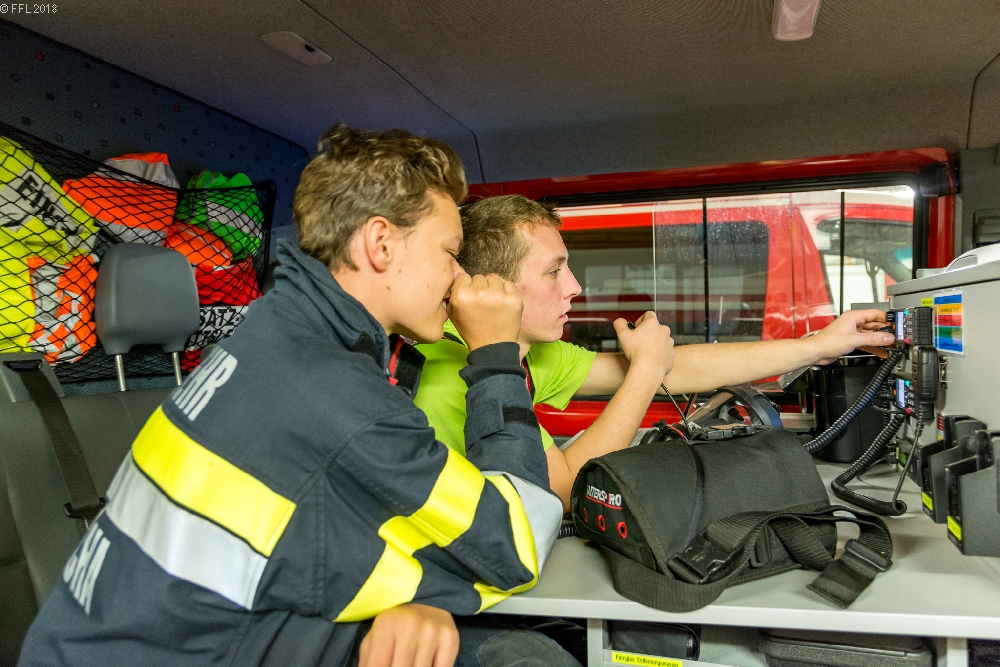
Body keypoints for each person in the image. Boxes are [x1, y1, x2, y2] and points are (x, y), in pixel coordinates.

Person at [19, 127, 566, 667]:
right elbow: (515, 542)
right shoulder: (335, 393)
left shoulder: (268, 339)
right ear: (381, 243)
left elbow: (312, 536)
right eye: (449, 253)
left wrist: (416, 597)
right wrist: (495, 353)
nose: (460, 275)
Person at [414, 195, 897, 509]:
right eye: (553, 271)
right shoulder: (454, 377)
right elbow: (560, 489)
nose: (575, 287)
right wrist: (645, 368)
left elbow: (678, 367)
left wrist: (818, 346)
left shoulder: (527, 354)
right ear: (491, 286)